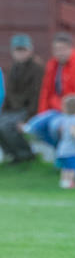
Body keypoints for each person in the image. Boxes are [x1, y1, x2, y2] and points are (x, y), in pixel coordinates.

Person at [25, 33, 75, 151]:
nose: (59, 53)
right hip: (56, 108)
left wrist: (72, 114)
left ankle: (71, 157)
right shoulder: (53, 64)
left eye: (63, 49)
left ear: (71, 48)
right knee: (32, 127)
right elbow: (46, 91)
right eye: (56, 49)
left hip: (73, 111)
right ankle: (61, 151)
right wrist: (43, 112)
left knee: (55, 126)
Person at [0, 34, 43, 164]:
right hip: (13, 110)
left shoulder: (37, 69)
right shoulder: (14, 68)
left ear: (30, 50)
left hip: (27, 110)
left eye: (23, 50)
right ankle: (13, 154)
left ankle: (26, 155)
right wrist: (3, 111)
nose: (20, 54)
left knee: (6, 126)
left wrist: (27, 119)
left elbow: (36, 96)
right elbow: (9, 94)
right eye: (17, 50)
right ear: (13, 52)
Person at [54, 94, 75, 189]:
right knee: (72, 168)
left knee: (65, 168)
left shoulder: (64, 119)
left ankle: (64, 182)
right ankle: (71, 183)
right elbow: (74, 131)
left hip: (62, 149)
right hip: (70, 150)